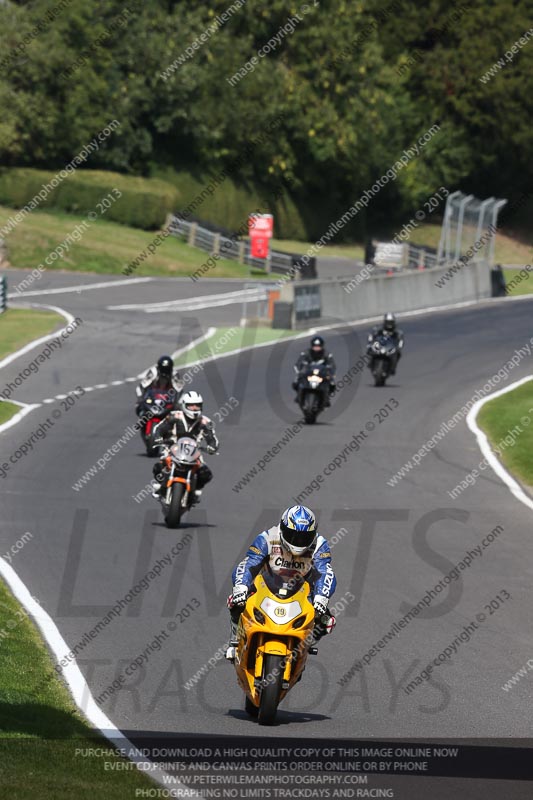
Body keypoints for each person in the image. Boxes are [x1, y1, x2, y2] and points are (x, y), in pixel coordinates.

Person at [225, 505, 337, 661]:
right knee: (235, 601)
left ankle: (303, 647)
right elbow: (249, 563)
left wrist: (321, 598)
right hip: (266, 586)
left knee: (327, 621)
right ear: (283, 529)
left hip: (301, 592)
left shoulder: (319, 544)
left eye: (303, 537)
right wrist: (241, 587)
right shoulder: (268, 537)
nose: (297, 541)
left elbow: (325, 572)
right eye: (293, 535)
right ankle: (235, 642)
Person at [151, 390, 219, 502]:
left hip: (194, 452)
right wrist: (158, 437)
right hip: (172, 448)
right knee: (158, 467)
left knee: (206, 473)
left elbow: (212, 438)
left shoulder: (205, 421)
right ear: (184, 405)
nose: (194, 408)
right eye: (191, 405)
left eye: (197, 405)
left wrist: (212, 446)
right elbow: (159, 428)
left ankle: (195, 490)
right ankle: (160, 487)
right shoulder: (174, 416)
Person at [293, 336, 337, 405]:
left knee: (332, 383)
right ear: (312, 346)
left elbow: (332, 365)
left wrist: (331, 373)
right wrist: (299, 371)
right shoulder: (305, 353)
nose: (316, 348)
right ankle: (299, 395)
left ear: (322, 346)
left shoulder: (327, 354)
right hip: (308, 373)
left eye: (318, 346)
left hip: (322, 373)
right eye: (315, 346)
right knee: (296, 381)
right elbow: (298, 363)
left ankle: (326, 397)